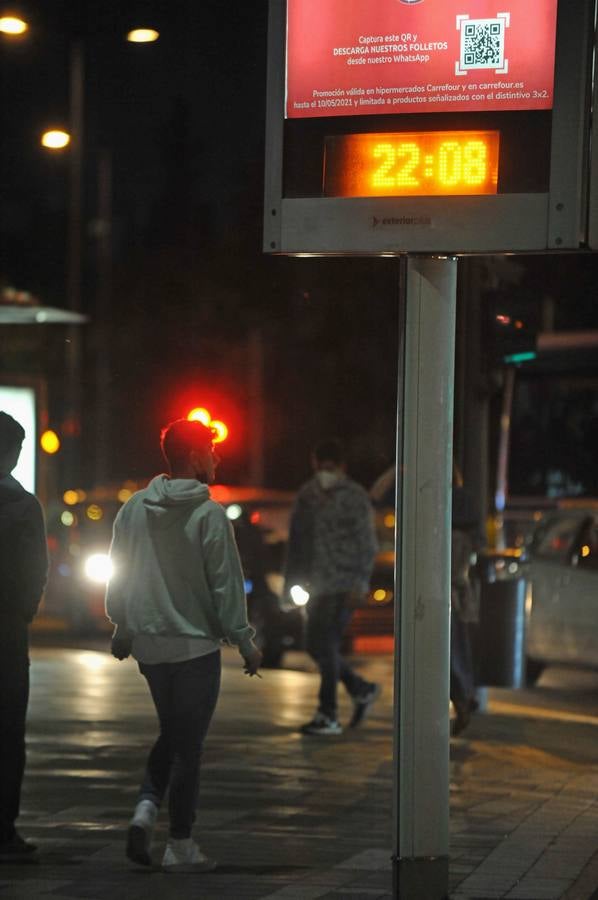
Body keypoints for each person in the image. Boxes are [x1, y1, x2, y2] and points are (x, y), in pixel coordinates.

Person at [105, 417, 262, 872]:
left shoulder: (134, 507)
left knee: (174, 731)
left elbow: (120, 571)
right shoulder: (209, 514)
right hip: (194, 647)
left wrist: (123, 627)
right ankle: (179, 844)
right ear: (195, 457)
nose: (216, 457)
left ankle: (145, 810)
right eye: (211, 450)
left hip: (150, 646)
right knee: (188, 745)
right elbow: (225, 584)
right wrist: (244, 640)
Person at [284, 439, 379, 735]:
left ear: (341, 467)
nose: (325, 472)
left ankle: (328, 713)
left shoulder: (355, 496)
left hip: (344, 585)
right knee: (316, 646)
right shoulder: (307, 495)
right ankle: (360, 688)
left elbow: (367, 544)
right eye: (321, 466)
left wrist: (360, 583)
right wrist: (290, 585)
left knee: (325, 645)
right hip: (316, 584)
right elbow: (296, 543)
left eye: (330, 467)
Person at [0, 412, 48, 860]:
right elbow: (37, 570)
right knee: (9, 734)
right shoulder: (25, 505)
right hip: (9, 634)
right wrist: (23, 612)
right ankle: (4, 831)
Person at [450, 465, 480, 736]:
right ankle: (466, 695)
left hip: (449, 596)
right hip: (460, 596)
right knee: (458, 648)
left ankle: (463, 697)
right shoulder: (467, 533)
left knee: (450, 651)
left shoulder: (448, 535)